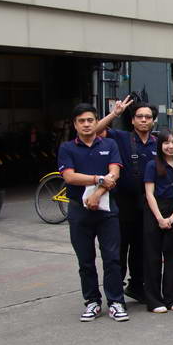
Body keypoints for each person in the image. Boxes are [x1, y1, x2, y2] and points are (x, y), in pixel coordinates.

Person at [57, 103, 128, 322]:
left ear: (97, 122)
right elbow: (70, 177)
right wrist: (98, 179)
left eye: (90, 120)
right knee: (85, 260)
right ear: (75, 125)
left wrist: (97, 193)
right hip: (79, 211)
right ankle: (92, 302)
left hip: (107, 211)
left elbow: (114, 173)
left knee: (112, 258)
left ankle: (116, 301)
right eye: (81, 121)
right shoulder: (67, 148)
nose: (86, 124)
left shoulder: (109, 144)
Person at [95, 96, 158, 304]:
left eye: (148, 117)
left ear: (153, 121)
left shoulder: (158, 142)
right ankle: (115, 292)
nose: (144, 120)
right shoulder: (121, 137)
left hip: (147, 204)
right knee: (119, 248)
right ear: (132, 120)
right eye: (139, 116)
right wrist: (115, 114)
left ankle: (137, 286)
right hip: (122, 204)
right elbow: (95, 130)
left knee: (142, 248)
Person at [142, 129, 173, 313]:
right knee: (152, 257)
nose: (171, 146)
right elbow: (149, 194)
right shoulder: (152, 165)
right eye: (166, 143)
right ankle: (154, 300)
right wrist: (160, 218)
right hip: (155, 211)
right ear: (160, 145)